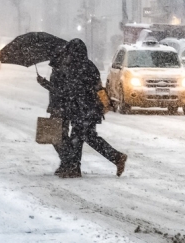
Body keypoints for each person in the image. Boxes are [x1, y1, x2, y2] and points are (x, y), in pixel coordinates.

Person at [49, 38, 127, 178]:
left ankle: (75, 168)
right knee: (86, 138)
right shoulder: (89, 66)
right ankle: (116, 157)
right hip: (89, 110)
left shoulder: (75, 67)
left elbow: (71, 90)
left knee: (78, 138)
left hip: (83, 110)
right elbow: (97, 87)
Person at [37, 51, 71, 175]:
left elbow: (59, 91)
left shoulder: (61, 71)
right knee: (60, 137)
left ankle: (67, 162)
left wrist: (44, 83)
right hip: (61, 107)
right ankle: (66, 162)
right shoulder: (60, 70)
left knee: (57, 137)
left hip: (60, 108)